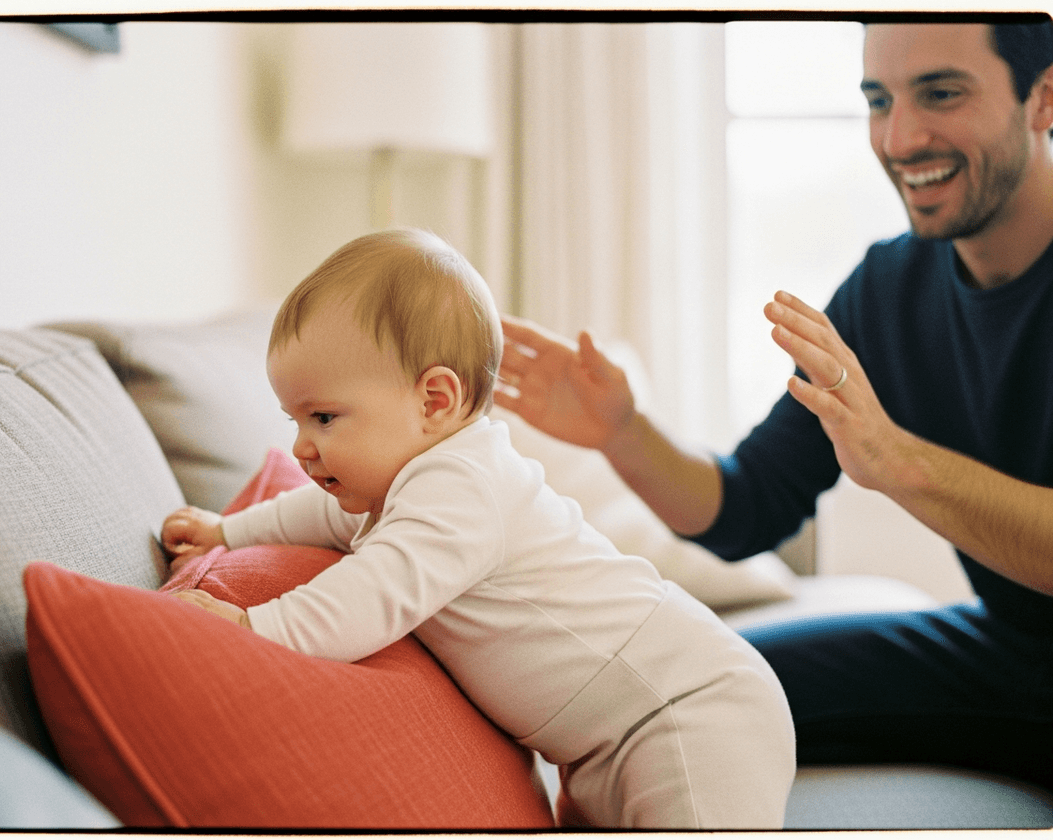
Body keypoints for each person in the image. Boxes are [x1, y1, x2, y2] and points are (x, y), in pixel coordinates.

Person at [495, 21, 1053, 791]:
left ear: (1043, 98)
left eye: (941, 93)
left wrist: (899, 463)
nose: (899, 136)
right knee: (696, 688)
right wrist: (623, 434)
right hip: (1013, 654)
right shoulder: (889, 291)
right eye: (877, 99)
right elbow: (748, 509)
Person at [161, 228, 795, 829]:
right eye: (295, 420)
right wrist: (229, 533)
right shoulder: (396, 485)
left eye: (324, 417)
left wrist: (253, 628)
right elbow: (316, 512)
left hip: (685, 708)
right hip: (598, 742)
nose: (301, 446)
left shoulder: (461, 487)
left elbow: (373, 594)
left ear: (435, 401)